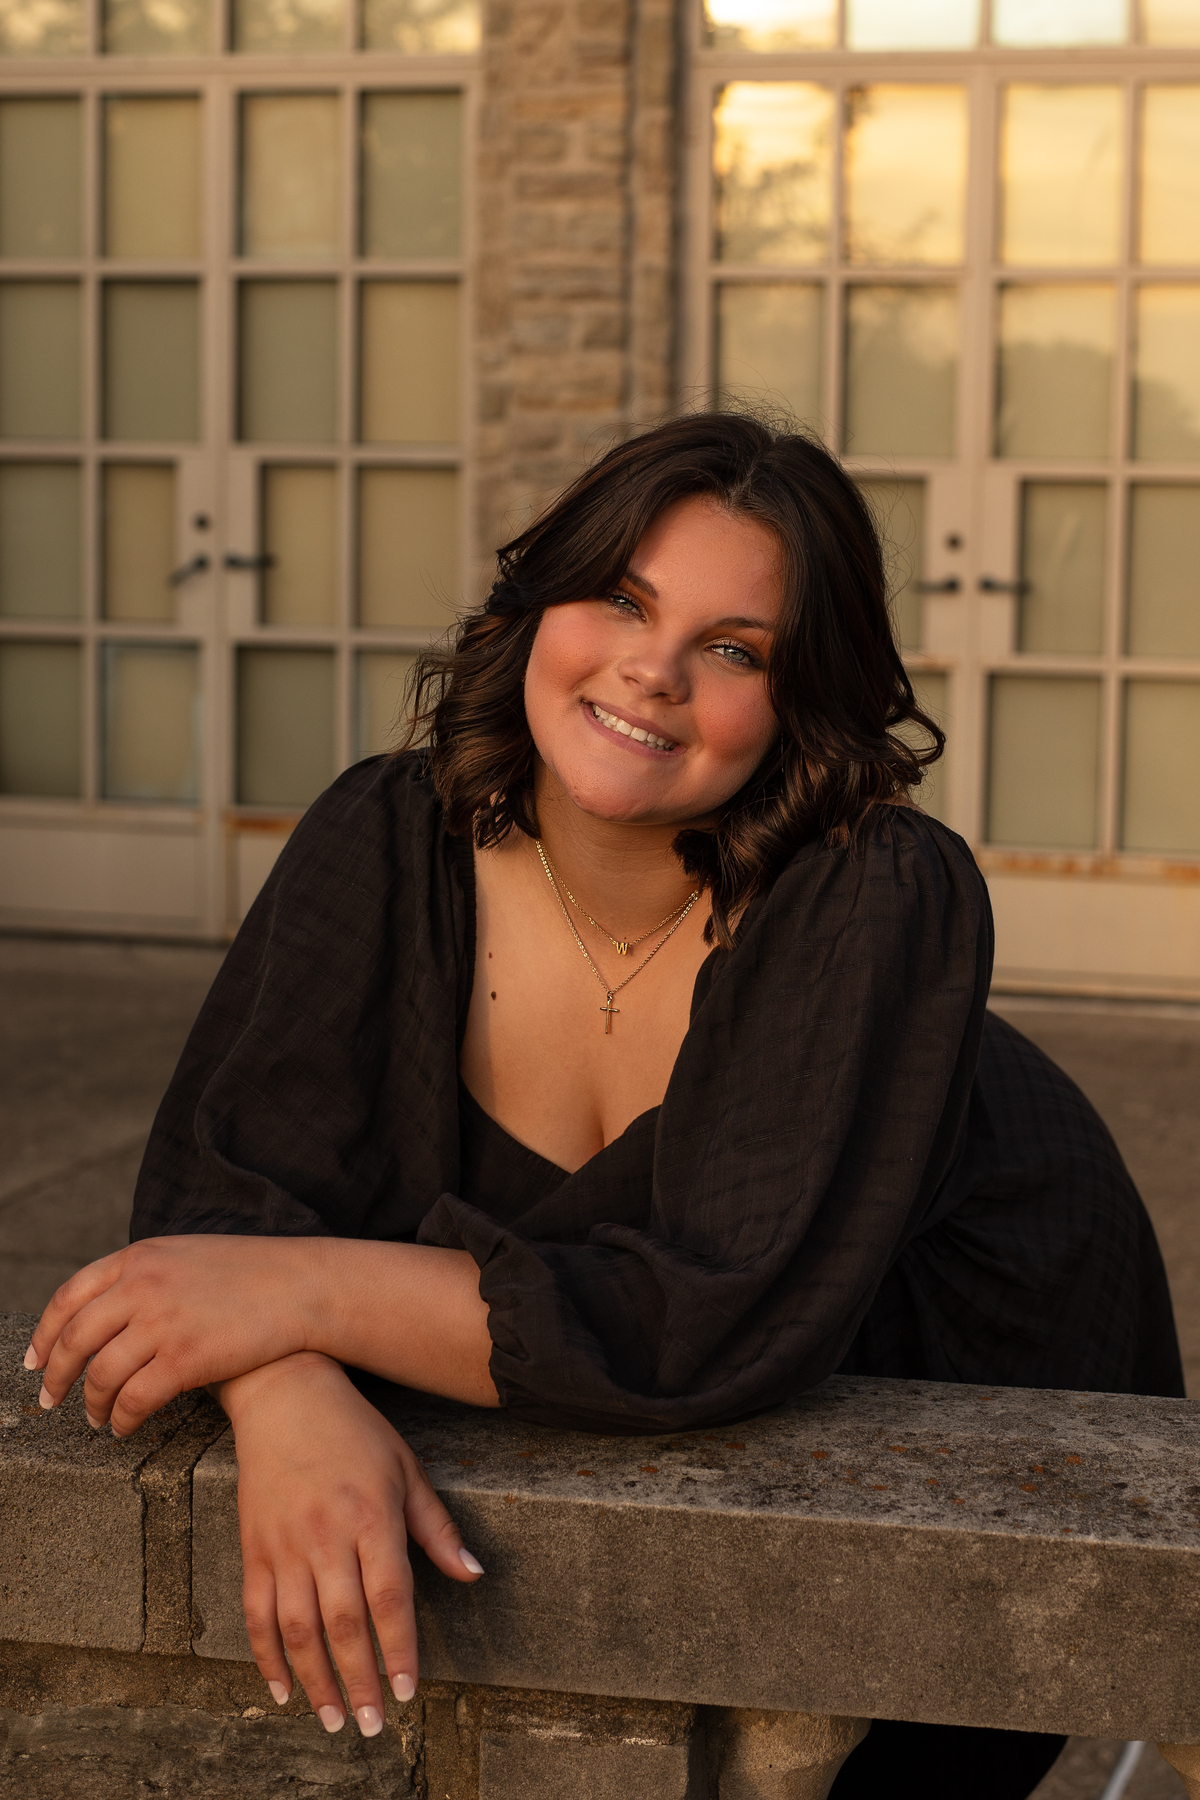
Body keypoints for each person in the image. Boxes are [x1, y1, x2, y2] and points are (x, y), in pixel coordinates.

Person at [24, 415, 1182, 1798]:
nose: (655, 669)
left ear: (800, 701)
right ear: (535, 609)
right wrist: (283, 1389)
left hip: (970, 1318)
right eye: (621, 600)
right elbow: (218, 1214)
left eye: (735, 648)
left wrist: (303, 1298)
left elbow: (704, 1320)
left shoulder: (879, 891)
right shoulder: (383, 836)